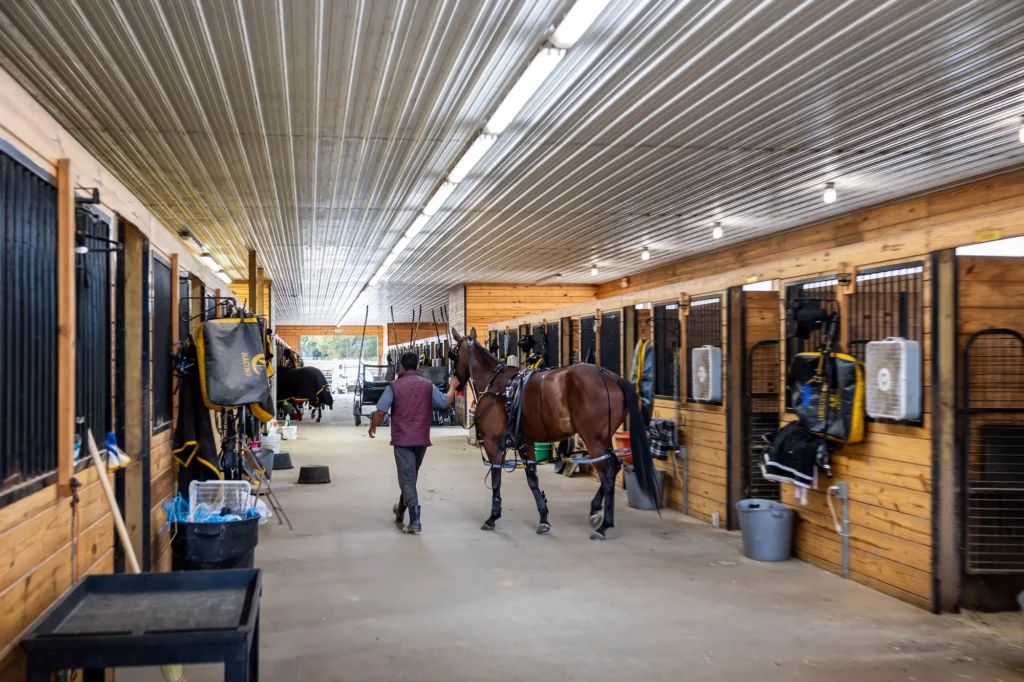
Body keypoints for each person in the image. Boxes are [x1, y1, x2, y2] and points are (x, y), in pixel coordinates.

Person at [368, 351, 460, 534]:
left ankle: (416, 521)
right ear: (418, 367)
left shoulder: (394, 386)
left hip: (403, 440)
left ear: (401, 367)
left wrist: (373, 426)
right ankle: (401, 511)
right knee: (410, 476)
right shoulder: (427, 385)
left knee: (407, 479)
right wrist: (453, 386)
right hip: (421, 440)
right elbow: (444, 402)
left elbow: (380, 412)